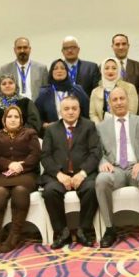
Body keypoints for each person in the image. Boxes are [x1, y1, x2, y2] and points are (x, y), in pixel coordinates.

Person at [95, 87, 139, 247]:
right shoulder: (101, 127)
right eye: (114, 100)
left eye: (122, 98)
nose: (119, 102)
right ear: (109, 104)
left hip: (138, 167)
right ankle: (110, 229)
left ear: (128, 100)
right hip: (115, 169)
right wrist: (103, 162)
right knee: (101, 180)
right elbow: (98, 153)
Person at [40, 96, 101, 249]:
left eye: (74, 108)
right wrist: (59, 175)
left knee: (92, 188)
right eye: (66, 109)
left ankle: (83, 231)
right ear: (60, 111)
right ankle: (63, 233)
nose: (71, 112)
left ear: (79, 110)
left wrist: (83, 173)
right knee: (49, 191)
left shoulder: (89, 126)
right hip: (59, 175)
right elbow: (45, 156)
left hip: (83, 174)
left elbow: (95, 153)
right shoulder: (51, 129)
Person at [0, 106, 41, 254]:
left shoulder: (30, 133)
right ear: (4, 120)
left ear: (21, 120)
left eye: (16, 117)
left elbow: (35, 155)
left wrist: (21, 166)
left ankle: (14, 236)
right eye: (9, 116)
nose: (13, 119)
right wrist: (9, 164)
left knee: (20, 191)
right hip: (1, 175)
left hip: (26, 174)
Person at [36, 59, 91, 129]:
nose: (59, 71)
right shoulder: (44, 92)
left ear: (67, 71)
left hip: (76, 130)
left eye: (62, 68)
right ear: (51, 72)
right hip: (52, 131)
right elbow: (38, 116)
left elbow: (86, 112)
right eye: (55, 68)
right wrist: (45, 125)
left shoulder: (77, 90)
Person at [88, 58, 138, 124]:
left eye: (114, 68)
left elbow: (132, 111)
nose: (110, 71)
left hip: (124, 125)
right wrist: (100, 127)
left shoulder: (129, 88)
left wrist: (119, 124)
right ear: (102, 71)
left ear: (119, 70)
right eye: (106, 68)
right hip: (102, 127)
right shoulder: (95, 91)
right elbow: (93, 114)